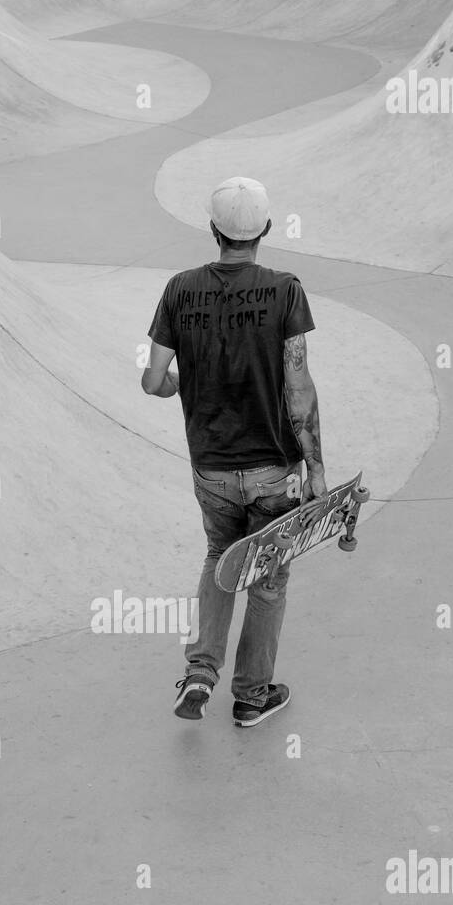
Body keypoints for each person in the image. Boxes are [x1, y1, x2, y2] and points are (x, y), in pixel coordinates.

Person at [142, 176, 326, 727]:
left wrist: (175, 384)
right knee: (267, 576)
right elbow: (299, 387)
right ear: (265, 229)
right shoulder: (286, 289)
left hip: (212, 467)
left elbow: (154, 380)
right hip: (273, 467)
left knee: (220, 559)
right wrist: (315, 466)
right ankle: (251, 696)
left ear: (214, 230)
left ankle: (200, 671)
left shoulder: (179, 288)